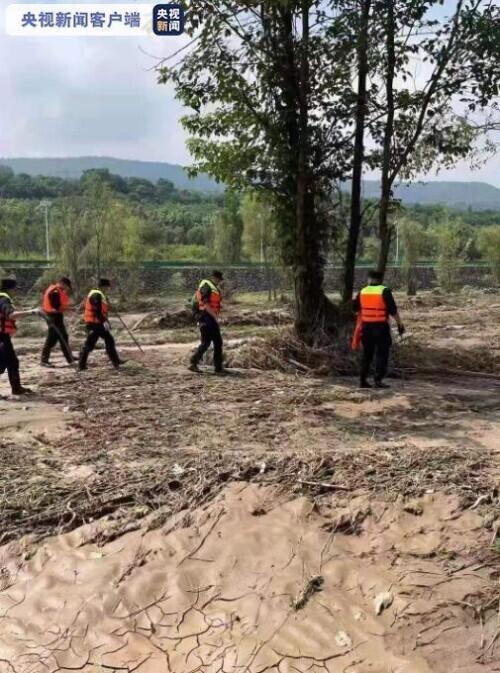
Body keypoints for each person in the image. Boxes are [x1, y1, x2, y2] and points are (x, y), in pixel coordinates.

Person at [353, 270, 405, 389]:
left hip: (366, 328)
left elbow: (355, 308)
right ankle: (378, 380)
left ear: (369, 279)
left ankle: (362, 380)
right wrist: (400, 325)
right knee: (382, 354)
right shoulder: (384, 290)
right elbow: (393, 310)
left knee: (367, 355)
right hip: (381, 327)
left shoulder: (362, 291)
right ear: (380, 280)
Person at [0, 278, 38, 395]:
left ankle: (16, 388)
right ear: (11, 289)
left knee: (12, 362)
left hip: (3, 336)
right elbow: (11, 315)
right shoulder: (3, 299)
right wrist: (31, 312)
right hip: (1, 336)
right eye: (16, 289)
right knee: (1, 363)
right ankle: (16, 389)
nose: (16, 291)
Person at [78, 279, 124, 371]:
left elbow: (101, 310)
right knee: (90, 344)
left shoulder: (99, 294)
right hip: (94, 323)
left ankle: (116, 361)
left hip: (97, 323)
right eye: (107, 287)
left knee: (109, 340)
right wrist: (104, 321)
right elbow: (96, 311)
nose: (108, 289)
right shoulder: (96, 295)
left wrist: (104, 320)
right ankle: (81, 366)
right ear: (103, 287)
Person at [189, 270, 226, 375]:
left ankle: (193, 363)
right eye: (219, 279)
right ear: (215, 277)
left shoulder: (211, 286)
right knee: (217, 342)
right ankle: (217, 368)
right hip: (206, 317)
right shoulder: (207, 286)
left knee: (207, 342)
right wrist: (215, 317)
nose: (219, 282)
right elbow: (205, 304)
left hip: (207, 317)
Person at [40, 276, 74, 367]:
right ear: (62, 283)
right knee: (54, 338)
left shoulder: (56, 290)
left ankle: (70, 358)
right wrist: (68, 309)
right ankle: (44, 361)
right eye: (66, 286)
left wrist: (67, 308)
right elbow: (56, 307)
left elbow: (59, 306)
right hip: (53, 318)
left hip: (55, 317)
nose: (66, 289)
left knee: (61, 337)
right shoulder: (55, 292)